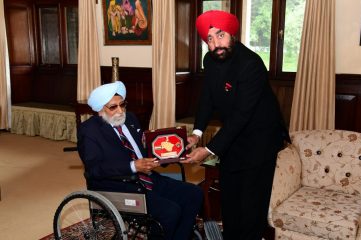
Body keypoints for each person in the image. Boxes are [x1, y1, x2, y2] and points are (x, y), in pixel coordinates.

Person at [183, 10, 290, 240]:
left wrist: (209, 149)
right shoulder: (209, 60)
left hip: (260, 140)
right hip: (233, 139)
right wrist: (197, 133)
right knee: (230, 199)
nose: (216, 44)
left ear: (232, 34)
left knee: (251, 206)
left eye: (220, 35)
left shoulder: (250, 64)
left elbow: (242, 115)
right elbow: (208, 97)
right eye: (209, 39)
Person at [77, 81, 203, 240]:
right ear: (100, 110)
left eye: (122, 104)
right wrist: (132, 166)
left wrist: (171, 153)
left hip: (146, 178)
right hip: (117, 187)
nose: (120, 111)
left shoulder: (130, 118)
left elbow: (146, 150)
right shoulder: (89, 130)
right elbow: (94, 169)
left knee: (194, 193)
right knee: (171, 210)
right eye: (113, 107)